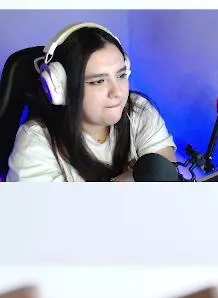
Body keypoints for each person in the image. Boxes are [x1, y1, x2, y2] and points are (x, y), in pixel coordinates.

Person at [4, 23, 176, 182]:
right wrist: (133, 178)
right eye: (98, 81)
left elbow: (165, 171)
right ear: (61, 88)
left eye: (121, 75)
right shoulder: (35, 142)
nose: (118, 92)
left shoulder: (139, 110)